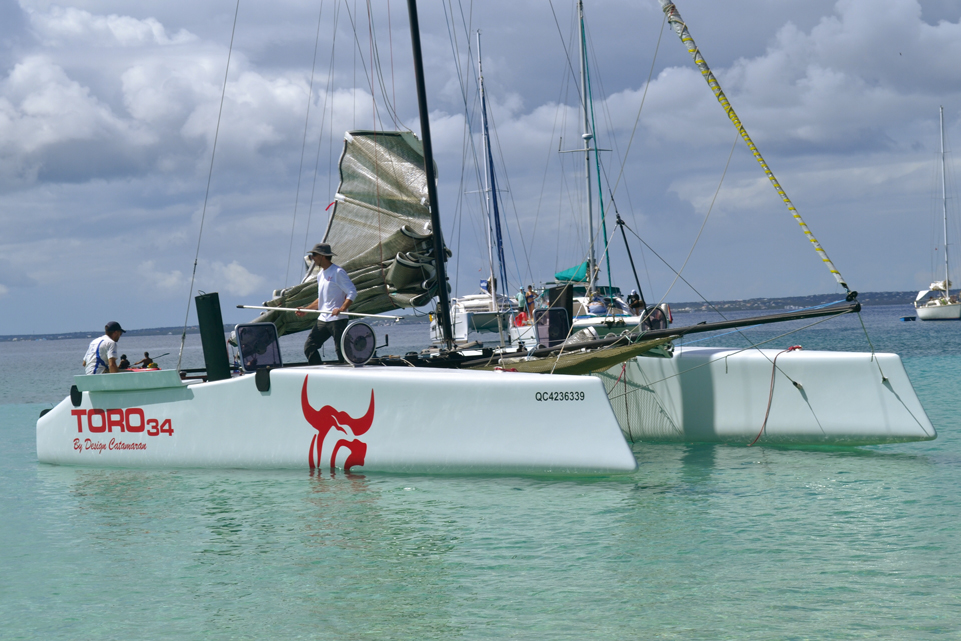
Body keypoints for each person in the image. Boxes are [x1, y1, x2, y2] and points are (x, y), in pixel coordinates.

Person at [296, 242, 357, 364]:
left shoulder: (338, 272)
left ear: (322, 256)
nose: (312, 258)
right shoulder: (320, 275)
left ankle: (348, 372)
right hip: (323, 319)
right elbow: (321, 299)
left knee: (342, 351)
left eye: (314, 255)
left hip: (337, 319)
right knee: (309, 346)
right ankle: (318, 371)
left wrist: (341, 308)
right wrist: (306, 310)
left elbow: (352, 292)